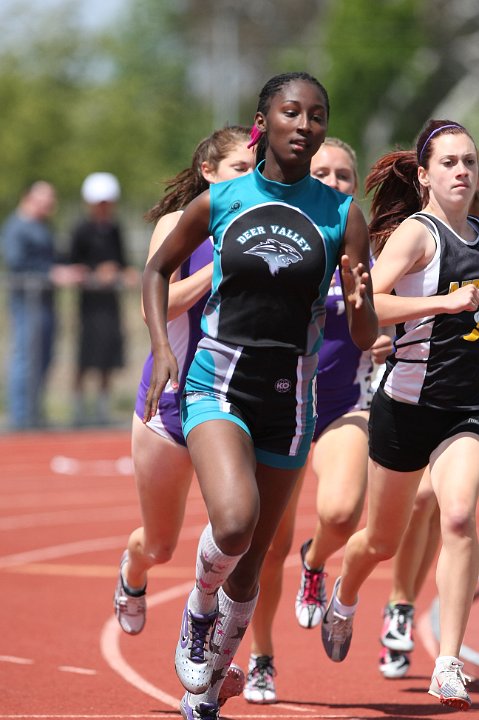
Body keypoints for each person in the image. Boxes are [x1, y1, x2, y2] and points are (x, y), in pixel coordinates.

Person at [141, 71, 378, 720]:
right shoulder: (224, 199)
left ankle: (208, 684)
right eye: (291, 112)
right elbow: (158, 268)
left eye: (317, 116)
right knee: (235, 523)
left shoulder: (342, 216)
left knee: (250, 569)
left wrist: (360, 305)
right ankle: (196, 611)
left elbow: (364, 332)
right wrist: (164, 350)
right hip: (216, 384)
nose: (305, 126)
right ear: (263, 120)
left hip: (289, 405)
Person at [321, 119, 479, 712]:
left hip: (465, 408)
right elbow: (371, 303)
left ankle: (446, 664)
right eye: (449, 162)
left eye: (469, 161)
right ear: (424, 175)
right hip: (405, 407)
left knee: (459, 517)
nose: (461, 171)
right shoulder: (418, 233)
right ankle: (346, 590)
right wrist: (442, 302)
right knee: (381, 541)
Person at [244, 138, 392, 704]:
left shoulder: (366, 254)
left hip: (338, 408)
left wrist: (381, 334)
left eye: (344, 176)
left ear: (356, 188)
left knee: (340, 511)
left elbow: (391, 312)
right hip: (275, 407)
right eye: (321, 172)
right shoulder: (272, 241)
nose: (332, 183)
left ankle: (317, 560)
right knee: (263, 547)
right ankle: (261, 657)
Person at [112, 126, 254, 703]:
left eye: (256, 167)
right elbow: (159, 304)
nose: (251, 177)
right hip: (169, 405)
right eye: (240, 167)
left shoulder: (265, 227)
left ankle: (212, 660)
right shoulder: (178, 228)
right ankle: (133, 571)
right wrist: (218, 265)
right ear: (209, 171)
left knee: (238, 530)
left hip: (234, 402)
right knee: (163, 543)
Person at [1, 181, 81, 430]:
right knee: (27, 357)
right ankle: (21, 416)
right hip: (27, 301)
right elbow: (17, 262)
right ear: (28, 197)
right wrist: (51, 273)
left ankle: (35, 412)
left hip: (45, 303)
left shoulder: (43, 227)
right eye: (44, 198)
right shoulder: (16, 227)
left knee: (44, 356)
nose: (49, 203)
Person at [69, 172, 137, 426]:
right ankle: (78, 409)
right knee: (85, 355)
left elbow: (122, 261)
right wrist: (95, 273)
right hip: (89, 304)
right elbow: (72, 263)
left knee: (109, 353)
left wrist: (122, 272)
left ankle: (102, 409)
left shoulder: (115, 229)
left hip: (111, 304)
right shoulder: (81, 229)